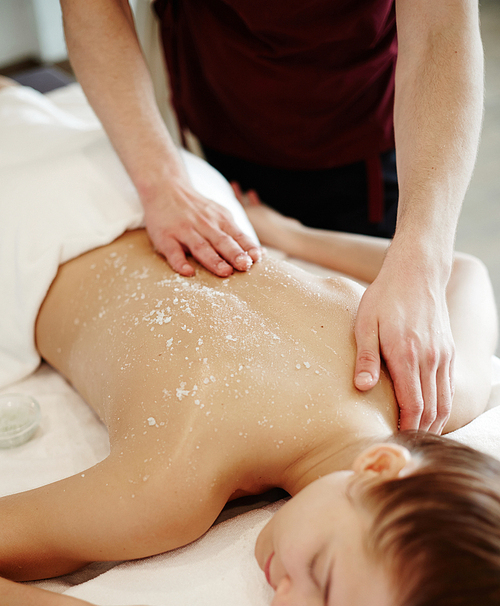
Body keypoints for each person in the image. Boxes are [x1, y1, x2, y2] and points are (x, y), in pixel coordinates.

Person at [1, 77, 500, 606]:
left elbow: (461, 273)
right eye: (321, 576)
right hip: (30, 223)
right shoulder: (170, 485)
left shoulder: (435, 381)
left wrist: (286, 233)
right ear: (378, 469)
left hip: (164, 178)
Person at [59, 0, 484, 436]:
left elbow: (440, 33)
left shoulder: (206, 453)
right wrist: (288, 235)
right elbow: (467, 272)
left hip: (346, 129)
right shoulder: (429, 407)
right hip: (215, 107)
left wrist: (419, 261)